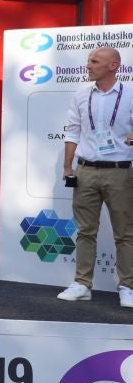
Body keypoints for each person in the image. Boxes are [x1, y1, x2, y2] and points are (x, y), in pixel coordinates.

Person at [57, 46, 133, 308]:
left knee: (125, 233)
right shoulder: (81, 94)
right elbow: (73, 132)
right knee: (85, 231)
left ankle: (128, 286)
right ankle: (82, 284)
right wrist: (67, 167)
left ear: (113, 65)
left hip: (120, 172)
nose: (88, 65)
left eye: (95, 61)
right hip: (85, 171)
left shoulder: (130, 93)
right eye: (88, 60)